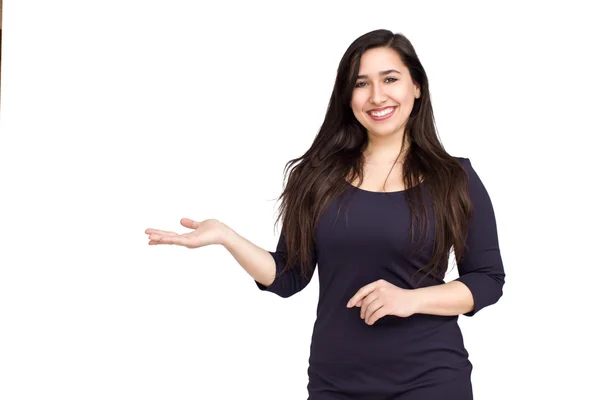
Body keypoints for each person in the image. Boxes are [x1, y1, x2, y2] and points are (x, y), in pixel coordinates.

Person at [145, 28, 505, 400]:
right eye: (361, 83)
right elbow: (289, 276)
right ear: (347, 96)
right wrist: (226, 237)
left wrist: (411, 299)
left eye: (390, 79)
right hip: (336, 382)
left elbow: (487, 279)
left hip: (431, 380)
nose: (377, 96)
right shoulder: (316, 177)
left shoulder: (455, 178)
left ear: (416, 86)